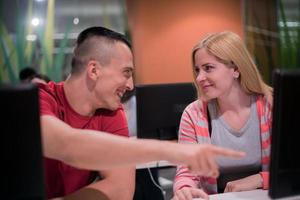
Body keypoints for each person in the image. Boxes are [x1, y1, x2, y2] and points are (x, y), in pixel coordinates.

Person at [39, 27, 245, 199]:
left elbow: (121, 190)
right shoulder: (40, 99)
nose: (130, 85)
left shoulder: (111, 111)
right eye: (126, 73)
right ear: (93, 70)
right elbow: (67, 145)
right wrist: (171, 150)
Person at [172, 31, 272, 200]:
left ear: (236, 69)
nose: (199, 77)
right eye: (197, 70)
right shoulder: (194, 114)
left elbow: (292, 170)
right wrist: (184, 188)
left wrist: (260, 179)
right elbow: (187, 171)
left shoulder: (271, 105)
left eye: (208, 68)